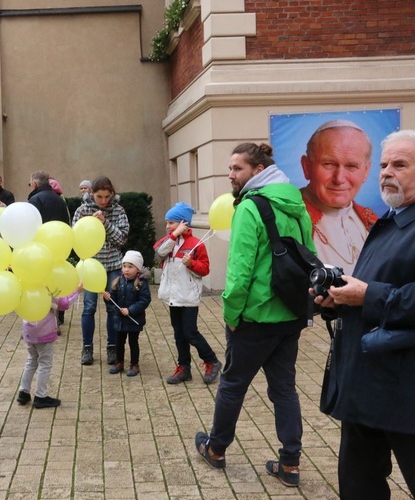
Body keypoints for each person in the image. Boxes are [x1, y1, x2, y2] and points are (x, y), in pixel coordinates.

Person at [194, 143, 314, 488]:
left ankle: (216, 449)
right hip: (290, 315)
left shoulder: (249, 207)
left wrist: (232, 315)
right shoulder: (296, 204)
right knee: (284, 389)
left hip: (254, 318)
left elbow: (239, 271)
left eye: (237, 169)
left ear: (258, 171)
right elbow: (312, 256)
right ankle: (290, 463)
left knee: (232, 384)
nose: (231, 175)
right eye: (231, 169)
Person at [313, 130, 415, 497]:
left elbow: (381, 294)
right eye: (385, 164)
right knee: (358, 485)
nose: (388, 172)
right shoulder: (388, 220)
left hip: (404, 392)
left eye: (400, 164)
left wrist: (368, 296)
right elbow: (376, 286)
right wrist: (340, 297)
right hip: (364, 384)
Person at [155, 202, 222, 385]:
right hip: (173, 298)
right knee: (179, 334)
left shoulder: (196, 244)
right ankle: (184, 368)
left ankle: (212, 361)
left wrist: (191, 264)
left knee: (190, 333)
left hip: (188, 297)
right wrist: (174, 235)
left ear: (183, 223)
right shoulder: (169, 241)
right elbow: (159, 252)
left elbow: (205, 269)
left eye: (171, 223)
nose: (167, 226)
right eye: (167, 223)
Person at [300, 119, 378, 270]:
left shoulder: (370, 220)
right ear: (307, 167)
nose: (339, 178)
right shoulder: (286, 219)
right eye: (328, 164)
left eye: (351, 166)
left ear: (366, 171)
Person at [72, 176, 129, 366]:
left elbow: (121, 239)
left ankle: (112, 347)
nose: (103, 201)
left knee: (112, 308)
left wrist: (105, 223)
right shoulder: (82, 210)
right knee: (89, 308)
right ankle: (87, 348)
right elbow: (75, 239)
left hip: (112, 266)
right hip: (90, 267)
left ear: (111, 194)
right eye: (99, 196)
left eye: (106, 196)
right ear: (92, 194)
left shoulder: (118, 210)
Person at [17, 286, 81, 409]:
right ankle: (41, 396)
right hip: (43, 332)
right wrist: (77, 291)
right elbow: (63, 304)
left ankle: (23, 392)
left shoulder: (25, 287)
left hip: (29, 331)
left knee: (31, 360)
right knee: (45, 363)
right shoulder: (46, 289)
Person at [103, 250, 151, 377]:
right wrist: (107, 298)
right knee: (119, 341)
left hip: (134, 319)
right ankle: (119, 362)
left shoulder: (141, 283)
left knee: (133, 342)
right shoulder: (118, 281)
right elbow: (113, 298)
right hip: (120, 319)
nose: (126, 270)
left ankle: (134, 364)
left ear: (138, 269)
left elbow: (144, 300)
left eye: (130, 267)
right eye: (124, 266)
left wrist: (130, 310)